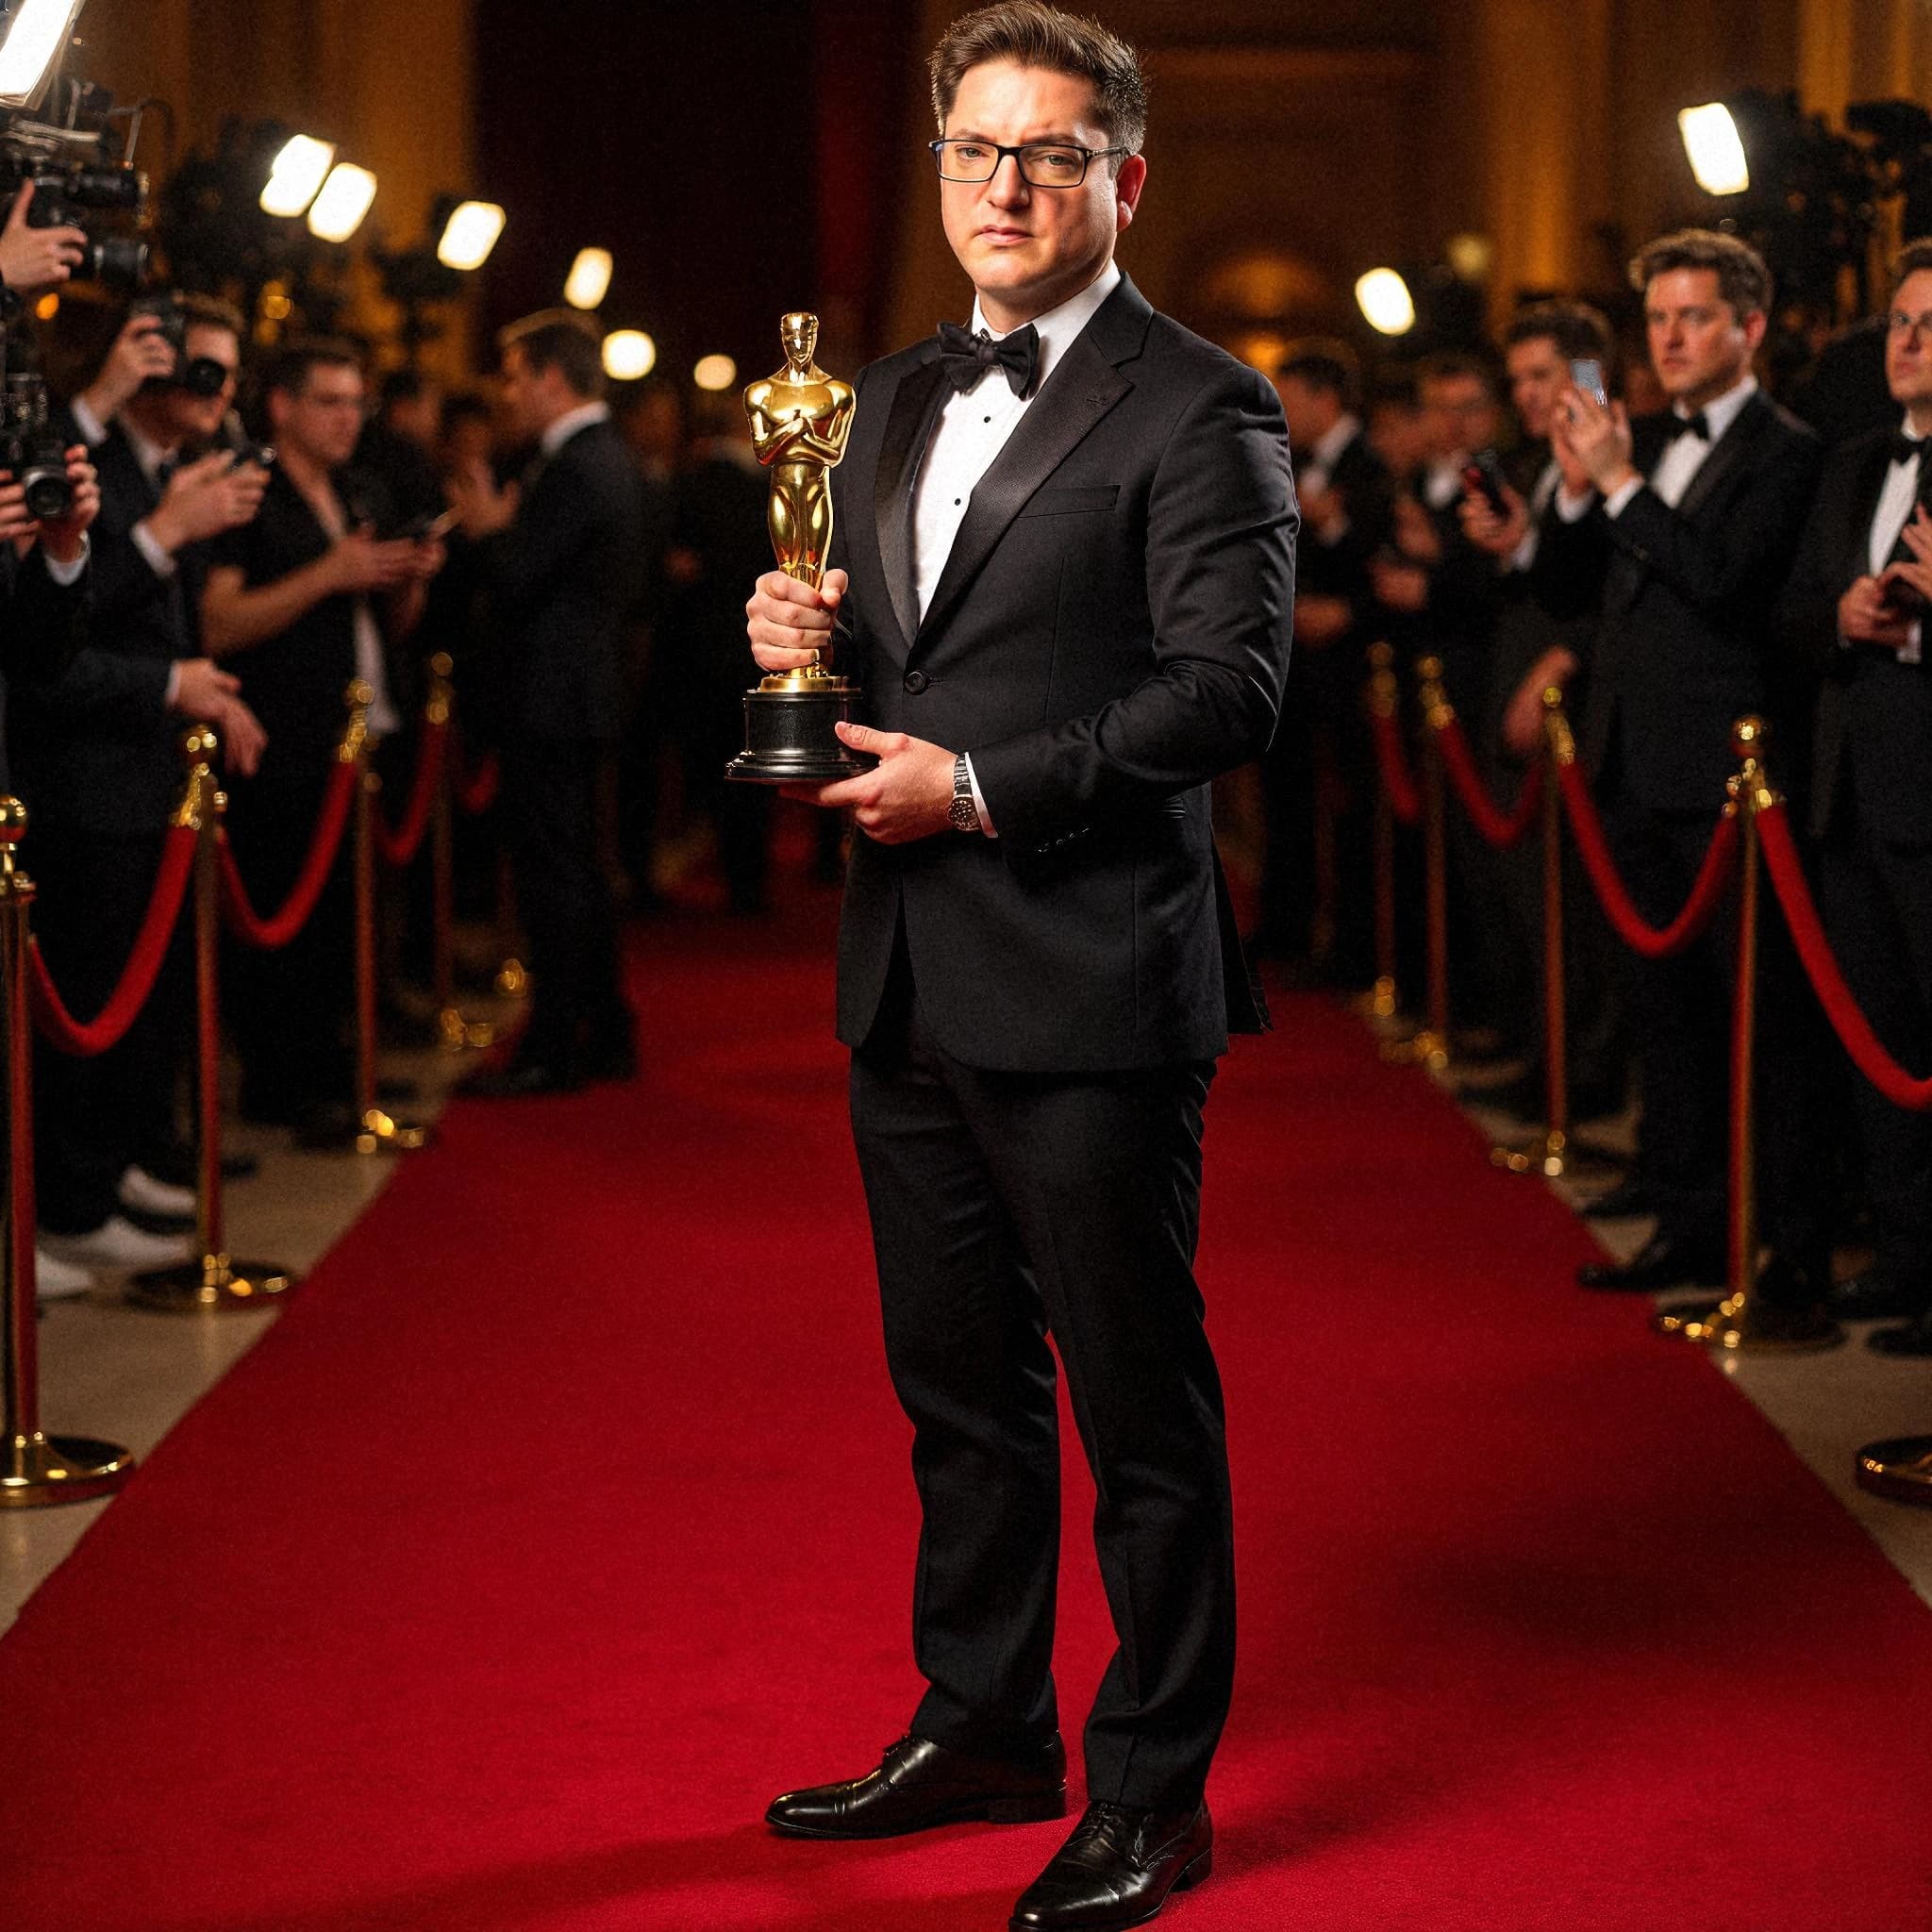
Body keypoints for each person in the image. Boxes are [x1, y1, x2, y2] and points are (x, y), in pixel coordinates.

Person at [743, 8, 1295, 1926]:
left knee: (1140, 1404)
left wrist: (972, 785)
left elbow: (1228, 689)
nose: (1002, 185)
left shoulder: (1200, 400)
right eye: (973, 150)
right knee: (955, 1388)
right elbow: (906, 648)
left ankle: (1156, 1787)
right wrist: (799, 635)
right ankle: (982, 1717)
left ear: (1120, 179)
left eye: (1047, 154)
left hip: (1090, 971)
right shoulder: (884, 393)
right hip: (903, 971)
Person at [1536, 230, 1828, 1317]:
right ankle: (1689, 1218)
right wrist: (1578, 490)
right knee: (1665, 1018)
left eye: (1691, 316)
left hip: (1724, 774)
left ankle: (1782, 1247)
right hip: (1628, 761)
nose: (1666, 337)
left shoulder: (1786, 451)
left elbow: (1725, 586)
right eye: (1655, 319)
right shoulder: (1643, 438)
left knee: (1757, 1026)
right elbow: (1568, 588)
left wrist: (1618, 484)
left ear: (1748, 329)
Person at [17, 295, 269, 1274]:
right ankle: (74, 1197)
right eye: (197, 366)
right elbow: (57, 636)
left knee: (128, 994)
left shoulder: (171, 468)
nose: (213, 390)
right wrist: (166, 533)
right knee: (80, 995)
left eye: (225, 372)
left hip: (144, 764)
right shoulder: (99, 461)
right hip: (82, 768)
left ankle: (104, 1172)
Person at [201, 339, 441, 1141]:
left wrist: (406, 578)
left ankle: (342, 1064)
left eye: (355, 404)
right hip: (278, 733)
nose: (347, 419)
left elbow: (392, 625)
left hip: (361, 730)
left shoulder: (358, 487)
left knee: (350, 913)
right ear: (281, 406)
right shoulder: (249, 493)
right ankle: (285, 1080)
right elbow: (219, 621)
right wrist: (328, 575)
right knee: (282, 916)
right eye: (330, 402)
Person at [1778, 242, 1932, 1354]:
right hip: (1846, 792)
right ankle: (1901, 1254)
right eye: (1897, 321)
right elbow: (1788, 612)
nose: (1906, 342)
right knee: (1876, 1039)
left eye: (1928, 324)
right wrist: (1839, 615)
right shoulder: (1851, 460)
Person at [446, 311, 644, 1094]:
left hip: (551, 698)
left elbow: (519, 578)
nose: (507, 394)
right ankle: (600, 1028)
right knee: (578, 872)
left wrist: (487, 530)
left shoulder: (573, 467)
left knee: (554, 876)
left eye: (516, 376)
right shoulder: (609, 456)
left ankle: (555, 1043)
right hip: (580, 693)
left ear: (553, 380)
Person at [1458, 301, 1625, 1124]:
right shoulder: (1533, 462)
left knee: (1583, 906)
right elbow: (1545, 574)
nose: (1524, 393)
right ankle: (1547, 1055)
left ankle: (1586, 1070)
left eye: (1541, 375)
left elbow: (1613, 587)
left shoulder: (1615, 450)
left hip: (1583, 708)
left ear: (1585, 371)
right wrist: (1512, 544)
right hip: (1519, 686)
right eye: (1517, 378)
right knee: (1530, 897)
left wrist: (1561, 666)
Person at [1258, 341, 1391, 983]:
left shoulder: (1372, 463)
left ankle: (1352, 947)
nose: (1279, 411)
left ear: (1325, 398)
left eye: (1287, 397)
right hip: (1294, 663)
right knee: (1290, 797)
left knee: (1351, 809)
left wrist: (1344, 604)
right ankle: (1287, 928)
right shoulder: (1298, 460)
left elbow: (1380, 555)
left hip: (1353, 669)